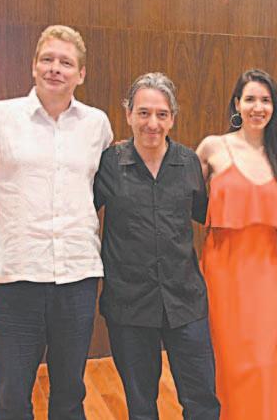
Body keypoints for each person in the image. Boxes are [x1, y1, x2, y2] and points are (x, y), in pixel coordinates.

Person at [0, 25, 112, 419]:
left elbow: (102, 194)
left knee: (70, 395)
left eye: (66, 62)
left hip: (76, 278)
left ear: (81, 74)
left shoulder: (97, 125)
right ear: (33, 66)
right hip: (14, 280)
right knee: (12, 397)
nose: (55, 68)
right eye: (48, 59)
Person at [93, 73, 220, 420]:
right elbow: (82, 215)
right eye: (144, 113)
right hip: (129, 304)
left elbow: (206, 215)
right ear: (128, 114)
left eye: (161, 114)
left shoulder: (188, 163)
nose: (152, 123)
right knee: (141, 406)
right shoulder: (108, 164)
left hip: (185, 301)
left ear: (172, 118)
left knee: (203, 402)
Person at [195, 69, 277, 419]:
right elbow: (183, 198)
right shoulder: (212, 147)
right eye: (250, 99)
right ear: (237, 103)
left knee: (264, 360)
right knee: (225, 357)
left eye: (265, 100)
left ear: (274, 107)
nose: (258, 107)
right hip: (221, 269)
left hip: (265, 272)